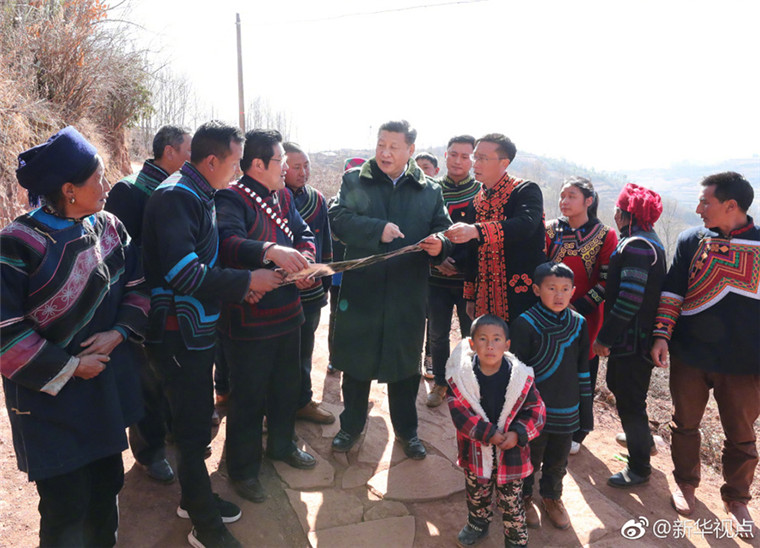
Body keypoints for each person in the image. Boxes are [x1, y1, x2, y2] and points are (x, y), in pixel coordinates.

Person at [1, 126, 148, 547]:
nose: (108, 185)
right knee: (66, 506)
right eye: (99, 178)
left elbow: (138, 287)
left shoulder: (110, 227)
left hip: (103, 391)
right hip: (49, 403)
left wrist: (118, 332)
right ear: (69, 190)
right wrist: (70, 366)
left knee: (106, 488)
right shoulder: (16, 245)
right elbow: (5, 333)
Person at [142, 121, 281, 548]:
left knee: (196, 423)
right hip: (176, 334)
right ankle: (204, 526)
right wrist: (247, 281)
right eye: (235, 163)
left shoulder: (200, 193)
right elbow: (184, 273)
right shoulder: (176, 197)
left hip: (196, 329)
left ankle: (194, 498)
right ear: (211, 161)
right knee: (191, 431)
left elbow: (208, 257)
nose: (237, 172)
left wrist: (241, 286)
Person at [328, 120, 452, 459]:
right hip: (362, 290)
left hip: (406, 293)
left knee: (405, 368)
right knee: (356, 365)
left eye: (393, 147)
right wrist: (376, 229)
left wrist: (440, 245)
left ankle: (407, 432)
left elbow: (444, 230)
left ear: (410, 150)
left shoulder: (429, 190)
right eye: (381, 144)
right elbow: (337, 219)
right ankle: (350, 426)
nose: (385, 152)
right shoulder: (356, 180)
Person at [651, 172, 759, 537]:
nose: (698, 209)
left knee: (741, 435)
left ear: (731, 205)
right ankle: (685, 483)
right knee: (685, 423)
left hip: (746, 363)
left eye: (705, 202)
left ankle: (737, 498)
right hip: (690, 356)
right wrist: (662, 335)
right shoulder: (691, 240)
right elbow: (673, 291)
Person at [216, 129, 317, 504]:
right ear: (256, 164)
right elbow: (227, 243)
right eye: (280, 161)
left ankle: (281, 445)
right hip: (250, 320)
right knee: (248, 397)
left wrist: (305, 261)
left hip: (288, 313)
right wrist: (271, 250)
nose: (286, 167)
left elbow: (304, 232)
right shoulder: (232, 197)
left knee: (286, 387)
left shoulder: (283, 195)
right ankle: (243, 470)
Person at [105, 124, 192, 484]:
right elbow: (116, 253)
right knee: (147, 380)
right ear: (169, 152)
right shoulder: (129, 190)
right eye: (189, 150)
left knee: (172, 370)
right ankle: (149, 452)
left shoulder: (184, 190)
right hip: (144, 302)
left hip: (178, 299)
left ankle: (170, 431)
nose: (193, 158)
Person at [446, 314, 545, 547]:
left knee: (511, 502)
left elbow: (537, 411)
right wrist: (486, 433)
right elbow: (459, 413)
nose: (490, 345)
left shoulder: (521, 378)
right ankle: (477, 525)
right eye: (483, 339)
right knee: (476, 495)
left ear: (507, 344)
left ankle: (516, 538)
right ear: (472, 344)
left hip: (511, 454)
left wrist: (518, 434)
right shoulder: (461, 379)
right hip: (475, 453)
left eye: (497, 339)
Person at [592, 183, 665, 488]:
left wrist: (605, 338)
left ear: (625, 214)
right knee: (627, 393)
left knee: (630, 401)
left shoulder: (636, 246)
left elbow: (629, 300)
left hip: (631, 341)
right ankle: (642, 440)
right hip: (638, 338)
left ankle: (639, 467)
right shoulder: (649, 242)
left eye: (618, 209)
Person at [511, 263, 592, 530]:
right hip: (533, 410)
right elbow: (516, 374)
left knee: (558, 459)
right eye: (552, 288)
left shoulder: (579, 324)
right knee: (529, 457)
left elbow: (583, 368)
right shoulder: (525, 324)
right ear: (536, 290)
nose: (559, 295)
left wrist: (584, 409)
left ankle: (551, 496)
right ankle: (523, 498)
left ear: (573, 291)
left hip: (567, 407)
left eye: (565, 289)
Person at [544, 176, 617, 455]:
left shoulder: (605, 235)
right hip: (549, 312)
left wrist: (577, 308)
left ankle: (579, 429)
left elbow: (607, 281)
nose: (564, 201)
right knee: (549, 368)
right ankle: (546, 421)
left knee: (582, 374)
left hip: (586, 316)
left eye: (571, 196)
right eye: (562, 195)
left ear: (588, 200)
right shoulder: (550, 230)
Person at [446, 133, 546, 324]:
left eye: (482, 159)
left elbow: (526, 224)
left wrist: (477, 231)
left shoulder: (525, 190)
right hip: (484, 295)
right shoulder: (476, 201)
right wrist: (470, 296)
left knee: (521, 341)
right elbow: (472, 252)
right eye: (475, 157)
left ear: (504, 163)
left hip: (522, 290)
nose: (475, 164)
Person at [425, 135, 481, 407]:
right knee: (437, 334)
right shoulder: (430, 189)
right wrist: (436, 261)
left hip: (470, 280)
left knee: (472, 336)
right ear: (445, 156)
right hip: (435, 277)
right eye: (454, 154)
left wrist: (463, 266)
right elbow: (421, 228)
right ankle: (440, 382)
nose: (458, 161)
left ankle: (468, 385)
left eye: (465, 156)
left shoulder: (482, 192)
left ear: (473, 159)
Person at [282, 141, 335, 424]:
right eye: (296, 167)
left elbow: (324, 242)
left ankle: (303, 401)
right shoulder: (270, 198)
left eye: (306, 166)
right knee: (279, 354)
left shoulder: (317, 199)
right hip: (279, 291)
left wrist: (321, 280)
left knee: (305, 350)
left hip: (311, 291)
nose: (303, 172)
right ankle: (273, 409)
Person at [326, 157, 366, 375]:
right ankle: (335, 357)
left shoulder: (371, 206)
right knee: (337, 315)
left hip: (364, 273)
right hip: (339, 274)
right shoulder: (334, 204)